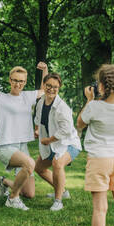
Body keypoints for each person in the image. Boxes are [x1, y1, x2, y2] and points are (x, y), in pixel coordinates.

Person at [0, 61, 48, 210]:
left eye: (21, 81)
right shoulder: (0, 97)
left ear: (25, 82)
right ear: (10, 80)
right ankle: (12, 199)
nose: (17, 84)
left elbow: (44, 90)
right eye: (14, 80)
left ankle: (4, 182)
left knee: (30, 193)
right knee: (30, 164)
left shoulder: (27, 96)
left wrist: (45, 70)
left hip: (22, 147)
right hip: (5, 146)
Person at [77, 64, 114, 226]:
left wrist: (90, 100)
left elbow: (80, 123)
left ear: (101, 86)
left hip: (99, 159)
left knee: (100, 209)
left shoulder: (94, 106)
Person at [34, 73, 82, 211]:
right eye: (48, 85)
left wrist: (48, 140)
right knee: (39, 168)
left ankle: (58, 201)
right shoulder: (40, 102)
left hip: (69, 143)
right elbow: (38, 121)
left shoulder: (62, 107)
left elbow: (65, 131)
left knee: (57, 163)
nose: (51, 89)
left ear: (59, 88)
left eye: (55, 87)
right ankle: (62, 191)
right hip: (53, 144)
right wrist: (37, 131)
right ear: (44, 85)